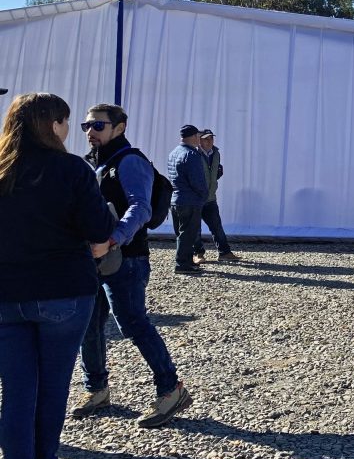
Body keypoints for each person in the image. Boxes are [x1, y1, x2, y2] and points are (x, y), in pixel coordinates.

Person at [0, 93, 116, 459]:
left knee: (17, 392)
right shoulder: (72, 170)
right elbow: (100, 230)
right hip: (63, 292)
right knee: (52, 389)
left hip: (5, 294)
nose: (73, 130)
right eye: (67, 121)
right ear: (52, 124)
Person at [74, 103, 193, 428]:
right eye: (86, 126)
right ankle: (96, 389)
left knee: (133, 324)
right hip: (96, 259)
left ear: (120, 127)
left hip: (127, 259)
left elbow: (140, 207)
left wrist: (112, 240)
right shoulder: (94, 163)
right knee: (89, 325)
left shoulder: (129, 161)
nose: (90, 132)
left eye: (98, 126)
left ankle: (171, 390)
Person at [193, 129, 239, 263]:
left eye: (211, 138)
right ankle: (198, 254)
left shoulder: (216, 153)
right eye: (206, 139)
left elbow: (213, 173)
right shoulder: (193, 154)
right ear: (199, 140)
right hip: (196, 198)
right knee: (195, 228)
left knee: (217, 226)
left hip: (210, 197)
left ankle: (224, 252)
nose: (210, 141)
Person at [168, 124, 208, 274]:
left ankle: (186, 260)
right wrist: (203, 195)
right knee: (188, 233)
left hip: (176, 199)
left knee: (181, 233)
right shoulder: (191, 155)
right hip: (189, 200)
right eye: (198, 136)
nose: (199, 139)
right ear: (192, 137)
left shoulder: (174, 153)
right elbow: (197, 180)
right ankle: (182, 264)